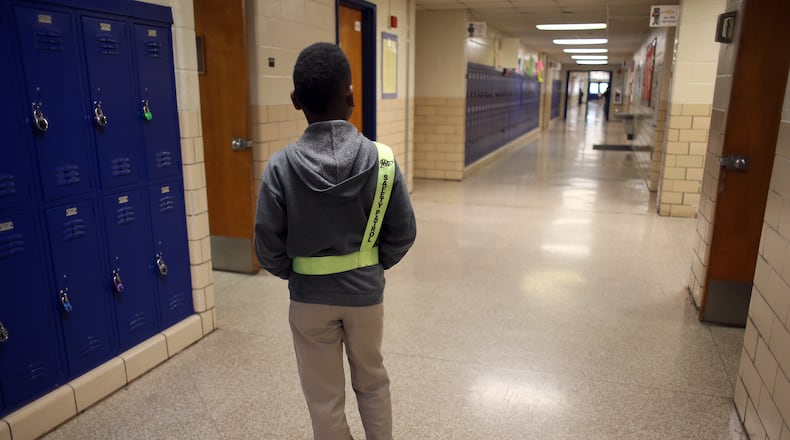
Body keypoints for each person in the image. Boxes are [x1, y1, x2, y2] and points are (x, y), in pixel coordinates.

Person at [254, 42, 417, 440]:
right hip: (365, 295)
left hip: (309, 298)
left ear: (295, 100)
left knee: (323, 398)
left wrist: (296, 273)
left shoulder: (280, 167)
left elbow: (267, 245)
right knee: (373, 380)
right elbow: (403, 232)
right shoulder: (382, 160)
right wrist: (372, 265)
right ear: (351, 94)